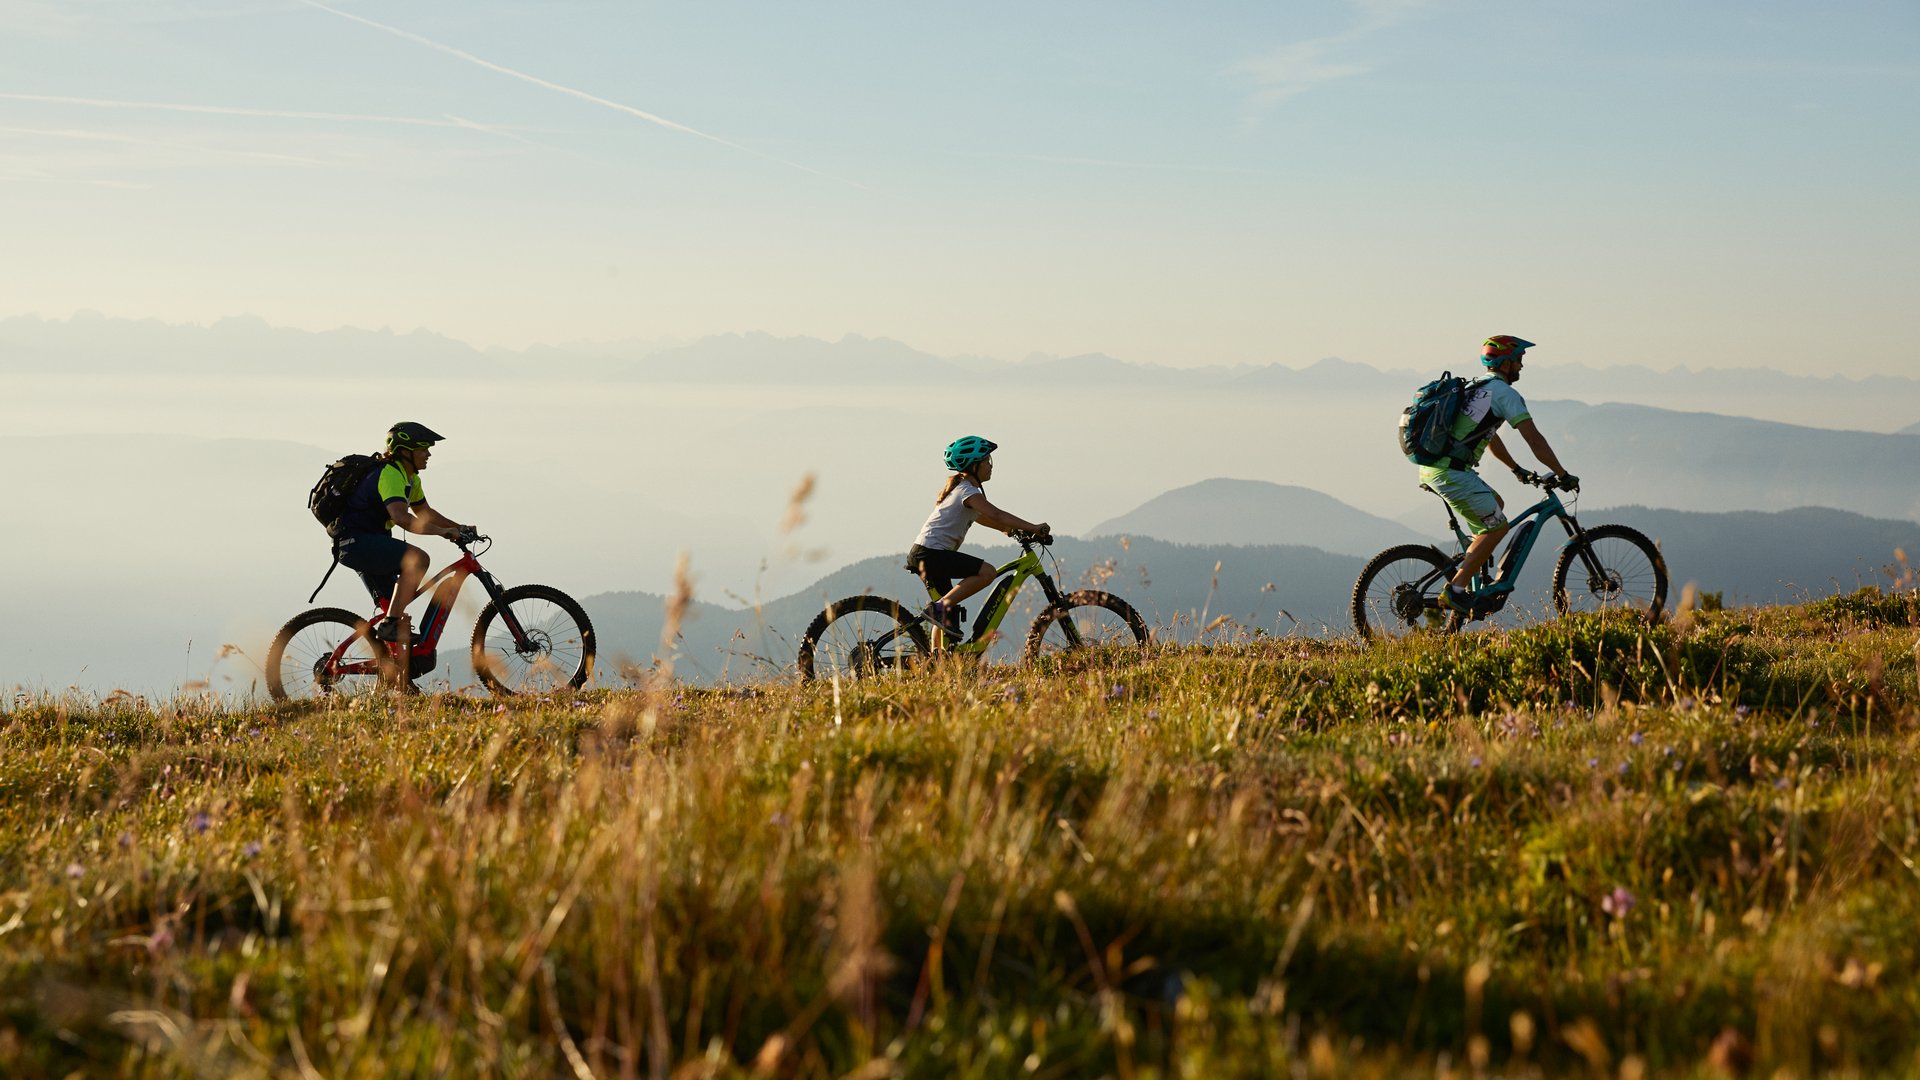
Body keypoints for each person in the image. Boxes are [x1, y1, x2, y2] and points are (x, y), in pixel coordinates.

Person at [1422, 336, 1578, 613]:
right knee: (1498, 527)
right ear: (1505, 363)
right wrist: (1561, 473)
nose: (1521, 366)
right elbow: (1534, 440)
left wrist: (1515, 468)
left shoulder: (1476, 387)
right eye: (1518, 360)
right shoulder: (1505, 394)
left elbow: (1489, 436)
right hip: (1452, 473)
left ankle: (1471, 565)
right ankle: (1455, 590)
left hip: (1437, 468)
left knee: (1498, 505)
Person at [331, 421, 472, 668]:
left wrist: (458, 528)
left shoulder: (410, 478)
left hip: (371, 542)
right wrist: (443, 533)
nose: (428, 454)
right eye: (423, 449)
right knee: (418, 560)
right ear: (405, 451)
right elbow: (401, 517)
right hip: (357, 542)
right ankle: (390, 624)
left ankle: (398, 676)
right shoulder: (390, 475)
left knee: (399, 615)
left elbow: (425, 513)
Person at [908, 436, 1051, 640]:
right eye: (987, 462)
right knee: (987, 572)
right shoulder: (968, 491)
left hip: (926, 554)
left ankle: (936, 663)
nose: (990, 466)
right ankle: (938, 609)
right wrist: (1033, 527)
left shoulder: (964, 490)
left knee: (947, 616)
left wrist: (1008, 530)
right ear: (973, 465)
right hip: (931, 555)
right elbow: (996, 514)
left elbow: (983, 518)